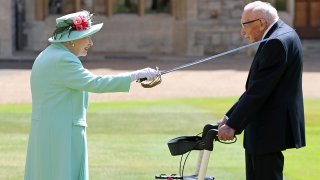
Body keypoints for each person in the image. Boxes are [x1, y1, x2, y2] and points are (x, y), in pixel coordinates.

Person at [24, 10, 158, 180]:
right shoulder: (63, 59)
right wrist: (136, 75)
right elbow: (96, 83)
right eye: (87, 36)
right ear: (72, 40)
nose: (90, 42)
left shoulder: (48, 54)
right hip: (61, 134)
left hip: (52, 131)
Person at [217, 1, 305, 180]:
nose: (243, 32)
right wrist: (229, 117)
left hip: (268, 129)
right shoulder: (282, 33)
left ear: (261, 23)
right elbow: (257, 87)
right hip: (267, 127)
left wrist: (233, 125)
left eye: (244, 25)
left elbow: (259, 91)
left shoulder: (276, 42)